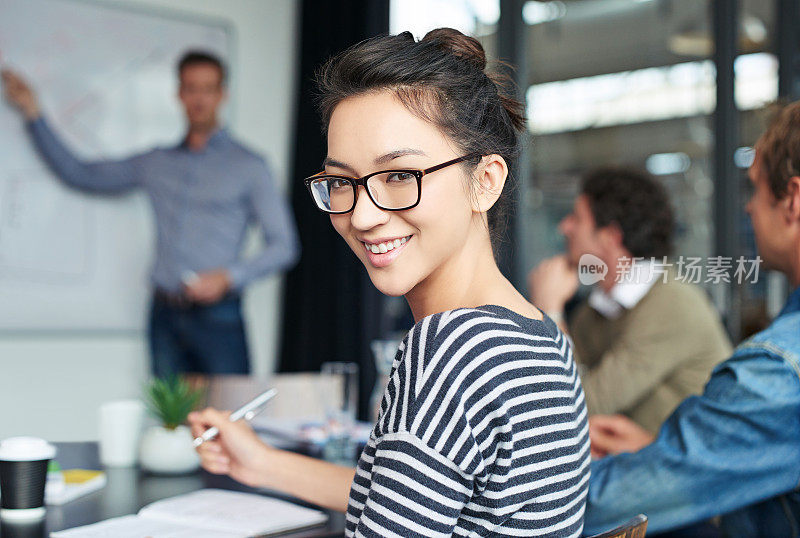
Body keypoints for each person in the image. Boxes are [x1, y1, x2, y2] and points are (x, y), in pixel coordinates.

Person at [189, 28, 591, 537]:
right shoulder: (538, 335)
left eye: (399, 175)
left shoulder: (450, 347)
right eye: (341, 183)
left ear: (485, 181)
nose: (362, 215)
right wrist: (261, 463)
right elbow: (411, 497)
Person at [1, 51, 299, 376]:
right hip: (164, 313)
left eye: (207, 89)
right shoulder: (157, 163)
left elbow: (284, 246)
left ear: (221, 95)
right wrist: (33, 112)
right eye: (191, 88)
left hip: (219, 315)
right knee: (168, 422)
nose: (199, 98)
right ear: (179, 94)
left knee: (229, 417)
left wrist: (228, 276)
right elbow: (80, 173)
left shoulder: (250, 166)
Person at [583, 102, 800, 537]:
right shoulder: (597, 310)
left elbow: (610, 494)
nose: (748, 210)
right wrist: (665, 456)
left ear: (792, 200)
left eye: (753, 191)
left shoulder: (776, 369)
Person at [528, 168, 731, 433]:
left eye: (577, 218)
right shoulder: (594, 311)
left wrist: (549, 312)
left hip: (698, 466)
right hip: (634, 458)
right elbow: (553, 395)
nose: (564, 226)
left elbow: (580, 405)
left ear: (610, 237)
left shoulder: (672, 306)